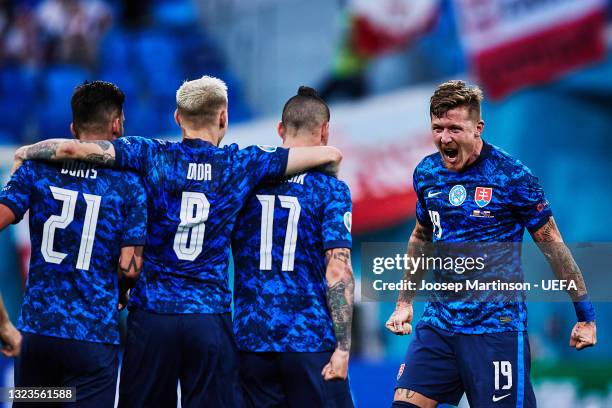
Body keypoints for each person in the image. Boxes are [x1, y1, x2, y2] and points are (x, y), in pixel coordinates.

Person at [13, 75, 344, 407]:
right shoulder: (240, 163)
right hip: (208, 317)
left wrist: (26, 151)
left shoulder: (149, 153)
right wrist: (332, 154)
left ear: (177, 118)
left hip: (152, 316)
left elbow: (71, 148)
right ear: (223, 117)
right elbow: (317, 157)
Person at [385, 80, 597, 408]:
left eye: (454, 128)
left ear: (478, 128)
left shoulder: (512, 177)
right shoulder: (426, 173)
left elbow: (552, 245)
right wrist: (404, 302)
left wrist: (585, 315)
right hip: (439, 324)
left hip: (495, 328)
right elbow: (421, 236)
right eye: (437, 128)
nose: (444, 138)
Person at [0, 80, 147, 407]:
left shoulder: (36, 169)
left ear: (72, 127)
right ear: (117, 125)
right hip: (92, 341)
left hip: (38, 337)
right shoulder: (128, 184)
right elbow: (129, 267)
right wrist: (121, 292)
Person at [232, 86, 355, 408]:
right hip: (310, 340)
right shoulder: (331, 189)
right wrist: (343, 347)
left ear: (280, 129)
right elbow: (338, 269)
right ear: (325, 131)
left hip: (251, 339)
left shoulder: (244, 184)